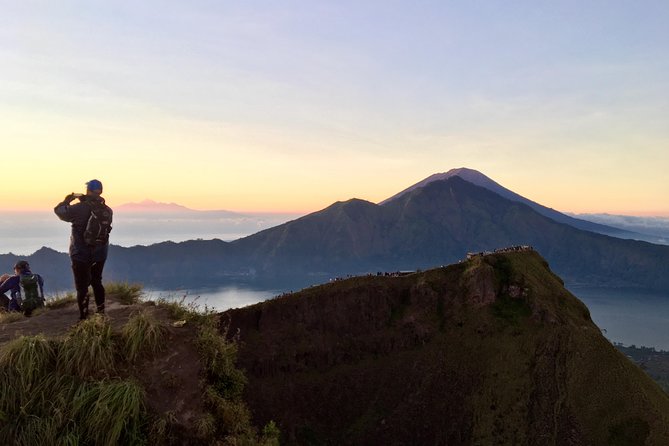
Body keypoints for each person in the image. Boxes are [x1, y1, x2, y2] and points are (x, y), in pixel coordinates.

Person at [54, 179, 113, 320]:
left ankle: (84, 318)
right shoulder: (107, 210)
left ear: (88, 190)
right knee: (97, 282)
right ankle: (101, 313)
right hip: (100, 253)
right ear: (100, 191)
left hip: (80, 253)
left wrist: (67, 200)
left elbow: (60, 212)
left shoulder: (79, 208)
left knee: (82, 287)